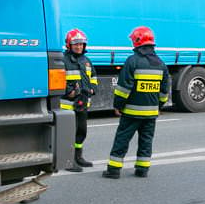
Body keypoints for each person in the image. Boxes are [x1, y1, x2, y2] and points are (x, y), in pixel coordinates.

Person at [103, 26, 170, 179]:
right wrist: (158, 106)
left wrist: (118, 106)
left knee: (122, 139)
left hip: (131, 112)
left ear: (137, 41)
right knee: (146, 141)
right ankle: (142, 170)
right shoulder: (161, 64)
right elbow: (164, 91)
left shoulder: (132, 61)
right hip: (151, 113)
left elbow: (123, 89)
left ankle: (113, 170)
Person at [61, 28, 98, 172]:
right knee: (69, 134)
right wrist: (68, 91)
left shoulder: (87, 61)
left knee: (81, 131)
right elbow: (57, 81)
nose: (79, 46)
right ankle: (68, 161)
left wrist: (93, 89)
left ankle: (78, 157)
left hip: (83, 104)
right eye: (76, 44)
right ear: (69, 45)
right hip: (68, 105)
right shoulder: (63, 60)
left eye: (81, 44)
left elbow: (93, 77)